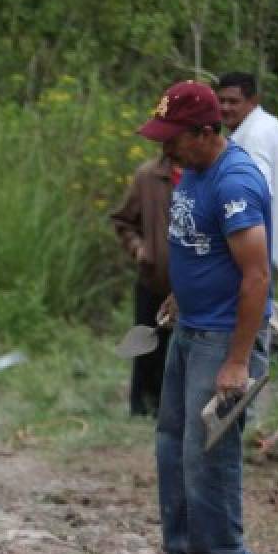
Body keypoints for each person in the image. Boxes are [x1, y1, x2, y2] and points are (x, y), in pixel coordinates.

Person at [136, 80, 272, 554]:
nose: (164, 147)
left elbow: (256, 276)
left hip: (223, 337)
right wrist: (178, 296)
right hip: (191, 327)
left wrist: (237, 361)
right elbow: (198, 247)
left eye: (173, 137)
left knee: (207, 449)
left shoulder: (234, 181)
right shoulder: (190, 171)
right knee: (172, 441)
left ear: (205, 130)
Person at [110, 156, 178, 416]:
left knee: (183, 349)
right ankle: (142, 407)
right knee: (147, 343)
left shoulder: (206, 173)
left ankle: (172, 407)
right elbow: (123, 221)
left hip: (190, 286)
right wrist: (138, 248)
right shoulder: (147, 176)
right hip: (154, 278)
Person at [215, 72, 278, 272]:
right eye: (221, 101)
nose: (225, 108)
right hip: (269, 246)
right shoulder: (270, 124)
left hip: (253, 252)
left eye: (233, 102)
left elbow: (254, 194)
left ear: (253, 101)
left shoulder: (254, 137)